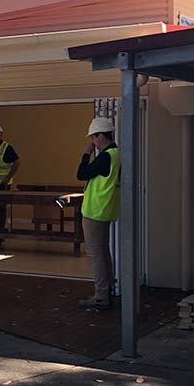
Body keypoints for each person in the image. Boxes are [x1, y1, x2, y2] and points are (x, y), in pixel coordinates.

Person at [76, 117, 121, 309]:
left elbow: (81, 173)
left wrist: (86, 154)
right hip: (106, 209)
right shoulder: (117, 153)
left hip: (95, 210)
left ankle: (101, 296)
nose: (92, 142)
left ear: (101, 136)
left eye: (93, 138)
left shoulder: (105, 156)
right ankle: (108, 289)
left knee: (95, 253)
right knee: (103, 251)